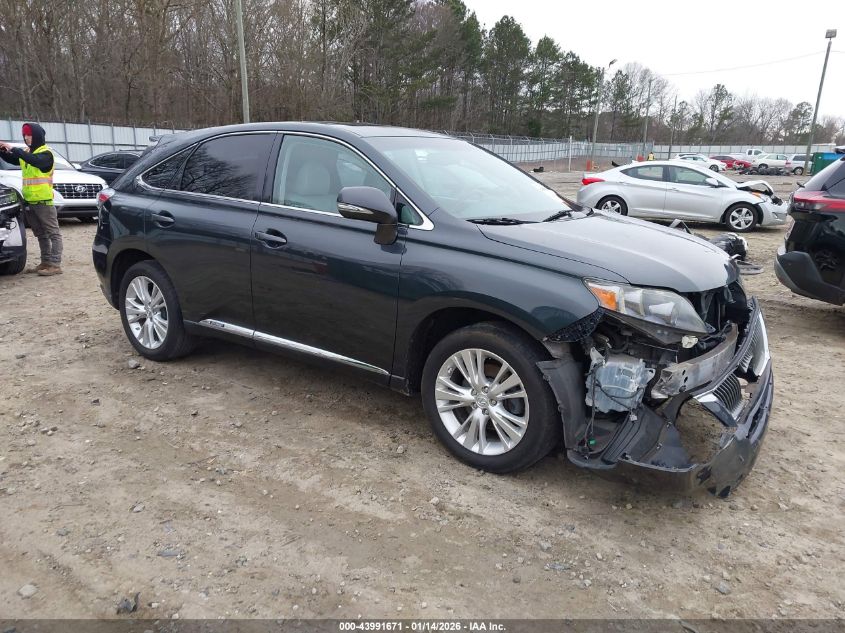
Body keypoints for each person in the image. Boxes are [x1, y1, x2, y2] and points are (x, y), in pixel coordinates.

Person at [0, 123, 62, 275]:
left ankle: (55, 265)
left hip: (44, 201)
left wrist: (14, 149)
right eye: (25, 135)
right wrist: (2, 151)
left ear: (37, 136)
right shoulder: (27, 152)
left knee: (53, 233)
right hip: (30, 201)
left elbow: (34, 160)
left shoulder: (46, 154)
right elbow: (13, 159)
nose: (27, 138)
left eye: (29, 135)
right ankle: (45, 262)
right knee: (41, 234)